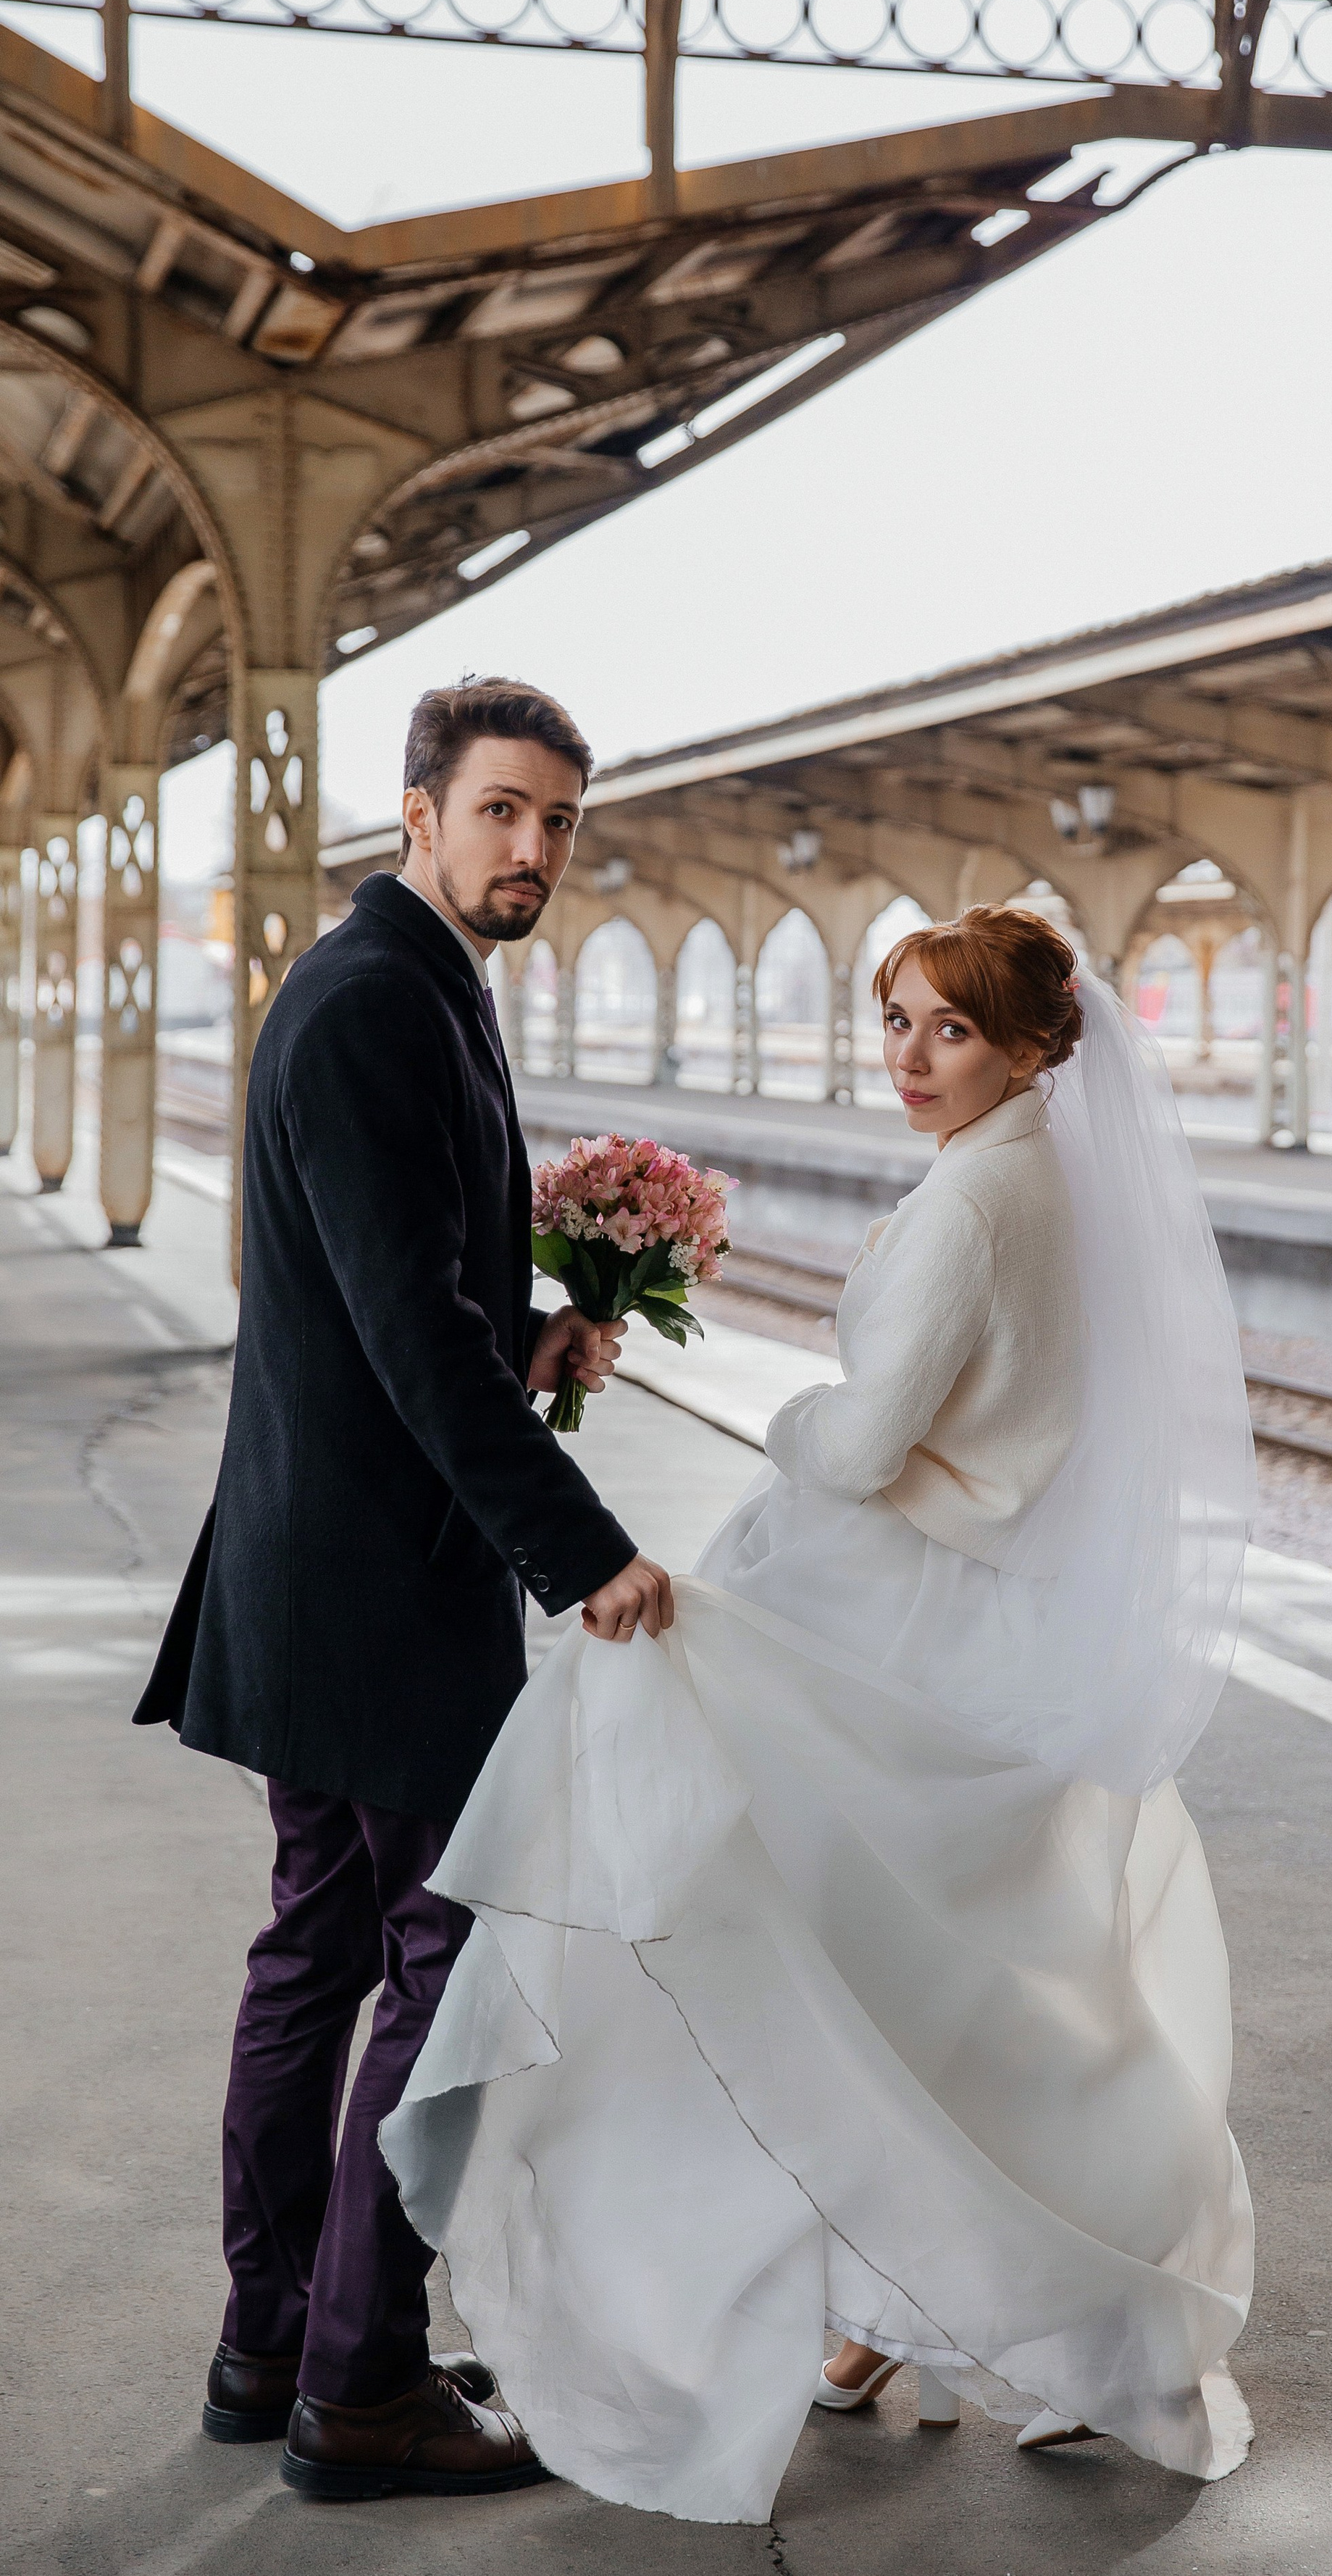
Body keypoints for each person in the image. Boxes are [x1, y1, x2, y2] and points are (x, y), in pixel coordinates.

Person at [382, 904, 1257, 2525]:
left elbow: (856, 1450)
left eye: (952, 1030)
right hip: (995, 1629)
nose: (912, 1059)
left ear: (1032, 1048)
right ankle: (913, 2322)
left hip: (892, 1628)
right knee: (963, 1993)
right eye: (897, 1021)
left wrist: (785, 1410)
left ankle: (931, 2311)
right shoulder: (1054, 1182)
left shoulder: (971, 1205)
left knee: (816, 1970)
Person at [135, 677, 674, 2503]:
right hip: (377, 1588)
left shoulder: (404, 980)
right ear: (419, 812)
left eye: (559, 822)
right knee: (439, 1964)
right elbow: (407, 1343)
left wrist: (527, 1334)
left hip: (319, 1565)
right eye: (502, 811)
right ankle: (358, 2385)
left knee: (320, 1950)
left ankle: (277, 2338)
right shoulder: (379, 999)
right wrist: (582, 1551)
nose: (533, 849)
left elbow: (412, 1301)